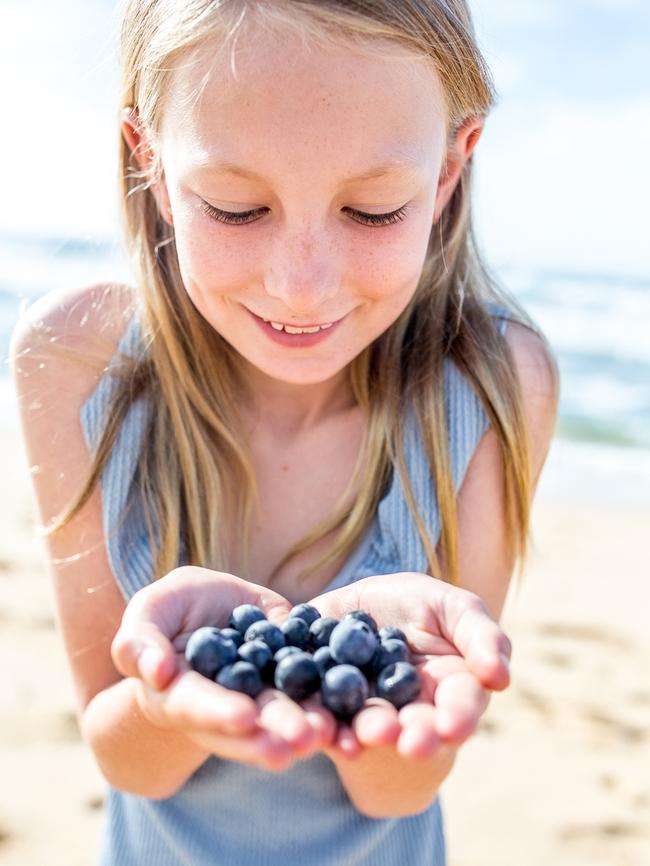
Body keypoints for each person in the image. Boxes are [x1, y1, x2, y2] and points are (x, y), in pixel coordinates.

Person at [11, 1, 559, 864]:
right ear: (148, 160)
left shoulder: (491, 383)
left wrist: (400, 699)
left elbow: (403, 786)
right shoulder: (79, 363)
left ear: (451, 169)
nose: (301, 287)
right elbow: (123, 758)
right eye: (235, 208)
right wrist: (163, 698)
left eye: (374, 211)